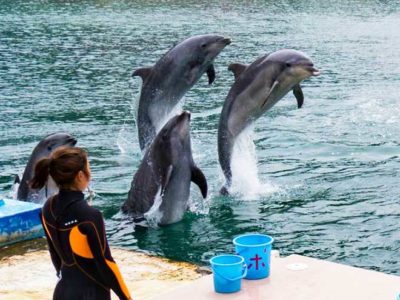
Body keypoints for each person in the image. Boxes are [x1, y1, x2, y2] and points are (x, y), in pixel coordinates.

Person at [31, 146, 132, 300]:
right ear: (80, 175)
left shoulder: (48, 207)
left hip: (62, 292)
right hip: (91, 294)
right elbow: (106, 264)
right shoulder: (90, 215)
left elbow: (55, 254)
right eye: (88, 167)